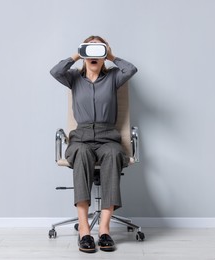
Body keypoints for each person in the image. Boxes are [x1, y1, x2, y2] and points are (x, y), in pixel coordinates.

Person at [50, 35, 137, 253]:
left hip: (109, 136)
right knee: (81, 152)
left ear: (104, 55)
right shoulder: (73, 78)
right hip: (81, 137)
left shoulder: (114, 78)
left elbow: (131, 69)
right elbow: (55, 71)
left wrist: (112, 55)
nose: (93, 55)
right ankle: (85, 231)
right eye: (90, 51)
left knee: (113, 154)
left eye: (98, 50)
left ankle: (105, 230)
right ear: (84, 56)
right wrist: (78, 53)